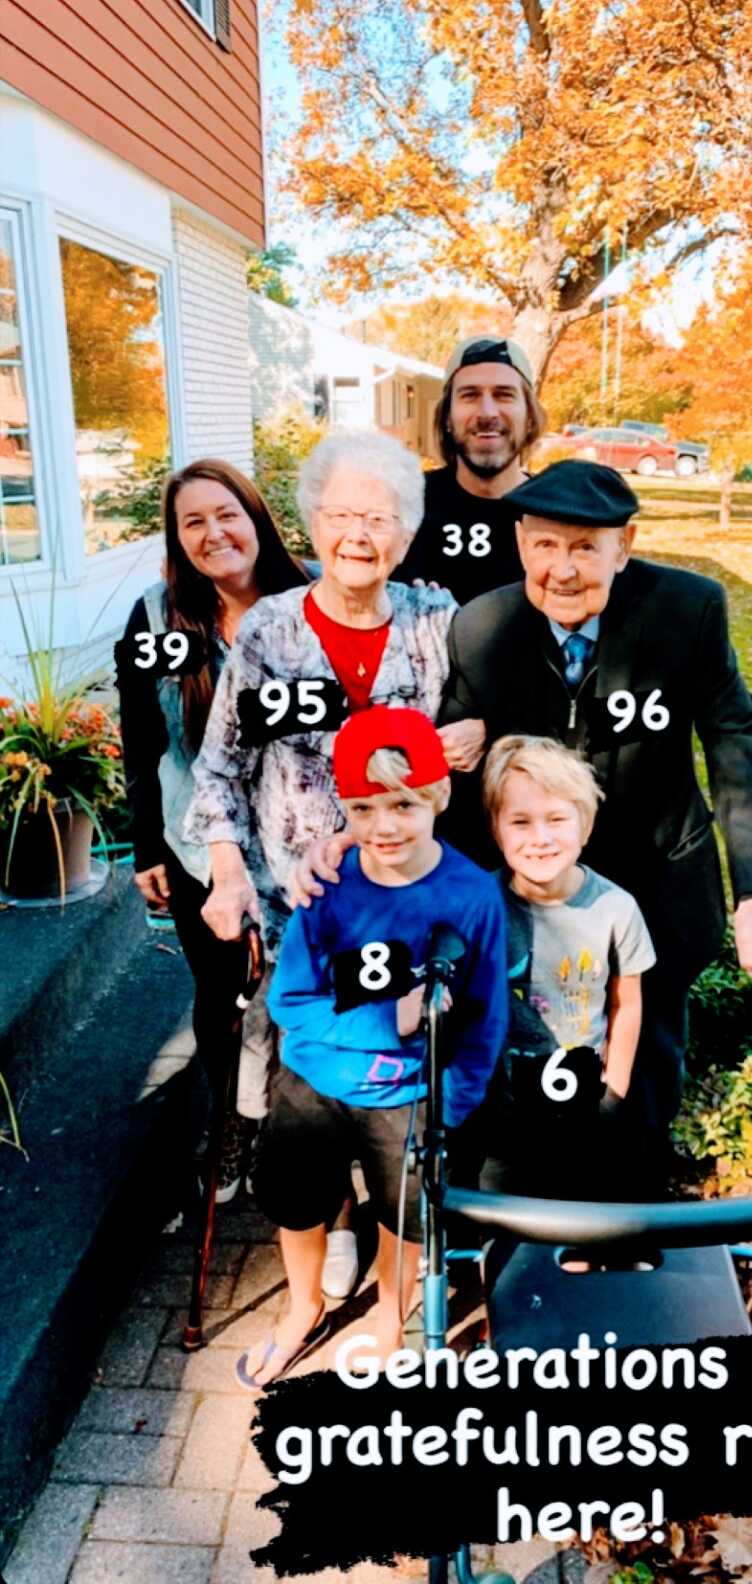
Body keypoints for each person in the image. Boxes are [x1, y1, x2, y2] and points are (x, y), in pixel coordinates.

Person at [298, 460, 752, 1189]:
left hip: (653, 874)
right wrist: (375, 830)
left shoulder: (686, 612)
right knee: (513, 1044)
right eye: (544, 546)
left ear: (622, 548)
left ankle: (627, 1219)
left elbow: (741, 745)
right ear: (521, 542)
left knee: (642, 1059)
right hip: (529, 889)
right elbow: (444, 762)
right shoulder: (483, 625)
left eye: (585, 548)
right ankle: (518, 1226)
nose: (561, 570)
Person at [184, 431, 484, 1288]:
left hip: (408, 906)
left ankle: (398, 1236)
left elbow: (488, 713)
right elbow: (220, 769)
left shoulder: (438, 621)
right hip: (299, 912)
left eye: (379, 517)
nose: (359, 532)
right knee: (313, 1086)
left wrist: (479, 730)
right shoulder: (273, 631)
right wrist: (229, 869)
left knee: (396, 1082)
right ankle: (338, 1223)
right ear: (313, 522)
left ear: (406, 530)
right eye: (342, 513)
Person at [235, 707, 507, 1389]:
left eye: (404, 804)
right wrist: (392, 1019)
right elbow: (291, 1001)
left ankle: (390, 1321)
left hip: (411, 1100)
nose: (384, 826)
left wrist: (457, 1102)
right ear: (343, 810)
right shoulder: (330, 886)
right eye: (363, 808)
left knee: (404, 1219)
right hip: (313, 1086)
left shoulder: (473, 896)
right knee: (296, 1204)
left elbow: (484, 1016)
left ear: (439, 796)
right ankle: (304, 1307)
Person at [116, 459, 309, 1204]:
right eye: (191, 521)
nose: (213, 532)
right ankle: (232, 1118)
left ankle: (307, 1135)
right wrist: (145, 849)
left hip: (305, 848)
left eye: (225, 513)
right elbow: (142, 739)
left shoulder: (313, 597)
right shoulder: (155, 615)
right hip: (201, 847)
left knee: (303, 1000)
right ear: (176, 539)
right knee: (222, 998)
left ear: (255, 516)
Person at [478, 734, 656, 1202]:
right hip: (504, 1106)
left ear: (586, 826)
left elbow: (626, 1003)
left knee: (577, 1225)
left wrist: (613, 1094)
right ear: (497, 830)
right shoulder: (479, 905)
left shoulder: (616, 908)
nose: (540, 838)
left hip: (581, 1102)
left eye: (557, 819)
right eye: (520, 822)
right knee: (506, 1225)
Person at [394, 337, 546, 604]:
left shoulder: (555, 514)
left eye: (503, 395)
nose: (487, 412)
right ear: (447, 418)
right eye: (470, 395)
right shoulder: (403, 503)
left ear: (530, 415)